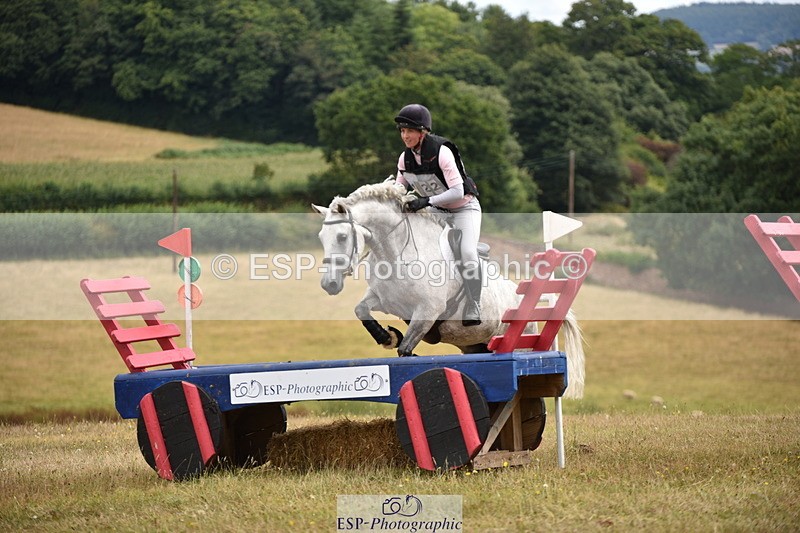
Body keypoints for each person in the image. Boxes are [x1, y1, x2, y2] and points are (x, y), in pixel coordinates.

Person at [393, 103, 483, 326]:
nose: (405, 136)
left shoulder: (442, 151)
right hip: (436, 212)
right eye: (402, 131)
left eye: (410, 131)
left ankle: (474, 303)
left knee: (468, 254)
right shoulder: (404, 159)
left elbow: (458, 191)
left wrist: (426, 201)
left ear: (423, 131)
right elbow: (398, 188)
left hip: (463, 209)